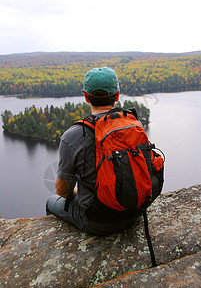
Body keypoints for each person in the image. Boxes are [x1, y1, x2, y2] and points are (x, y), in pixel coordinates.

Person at [46, 66, 155, 235]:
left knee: (51, 201)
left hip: (97, 222)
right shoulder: (134, 125)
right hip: (135, 212)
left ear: (86, 97)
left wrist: (76, 192)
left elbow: (62, 191)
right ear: (117, 95)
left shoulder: (73, 136)